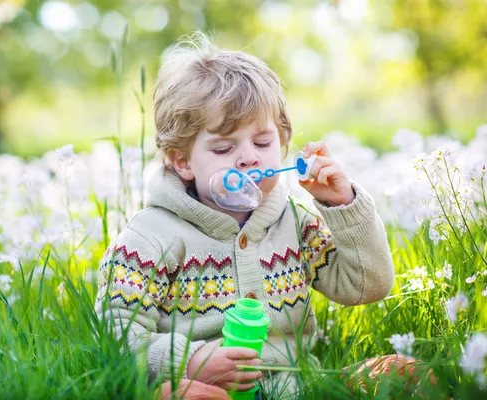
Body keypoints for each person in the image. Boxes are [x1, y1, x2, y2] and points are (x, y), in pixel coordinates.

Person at [95, 31, 397, 397]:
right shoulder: (150, 238)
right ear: (182, 160)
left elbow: (367, 285)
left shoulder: (295, 223)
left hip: (297, 384)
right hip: (206, 386)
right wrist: (191, 362)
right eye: (224, 147)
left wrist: (342, 204)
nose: (249, 158)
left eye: (263, 143)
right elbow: (117, 332)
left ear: (282, 145)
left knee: (399, 371)